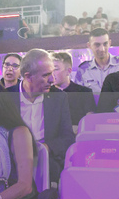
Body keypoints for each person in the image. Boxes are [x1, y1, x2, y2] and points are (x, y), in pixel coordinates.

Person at [6, 49, 74, 182]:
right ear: (28, 76)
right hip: (12, 162)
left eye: (53, 73)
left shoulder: (58, 98)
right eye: (45, 75)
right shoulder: (6, 98)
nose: (52, 80)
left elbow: (68, 138)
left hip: (47, 162)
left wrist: (45, 148)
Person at [74, 28, 119, 94]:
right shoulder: (83, 70)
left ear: (110, 43)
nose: (102, 49)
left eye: (105, 44)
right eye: (97, 45)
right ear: (89, 45)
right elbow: (78, 97)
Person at [51, 52, 95, 127]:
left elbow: (90, 121)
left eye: (55, 69)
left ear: (68, 71)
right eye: (50, 69)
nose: (52, 73)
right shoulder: (45, 93)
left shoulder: (84, 92)